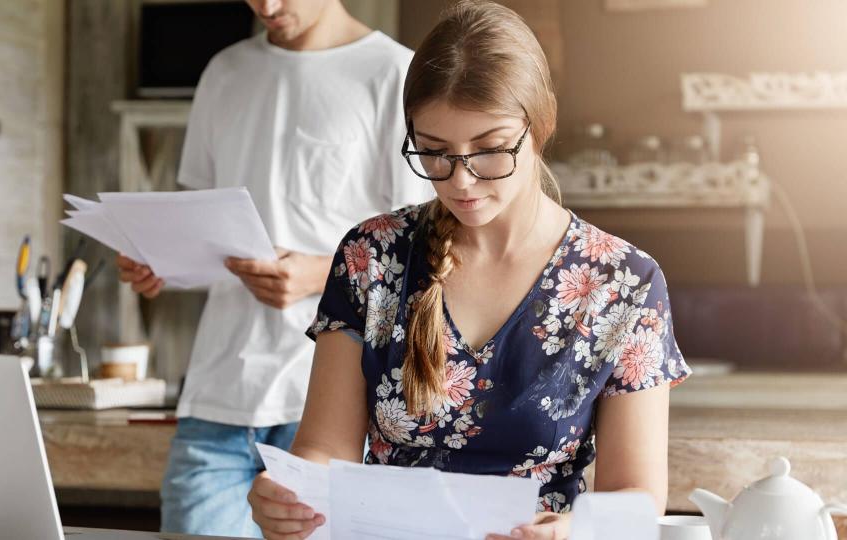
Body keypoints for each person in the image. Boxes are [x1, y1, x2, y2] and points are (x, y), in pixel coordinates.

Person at [246, 1, 692, 539]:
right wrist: (291, 496)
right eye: (434, 153)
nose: (461, 181)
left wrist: (572, 532)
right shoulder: (373, 255)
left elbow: (637, 499)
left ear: (540, 127)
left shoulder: (624, 283)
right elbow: (323, 447)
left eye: (489, 150)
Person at [116, 0, 431, 536]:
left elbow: (426, 246)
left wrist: (322, 275)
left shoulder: (394, 73)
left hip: (335, 403)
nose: (268, 6)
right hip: (218, 394)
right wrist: (164, 260)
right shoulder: (225, 72)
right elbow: (206, 223)